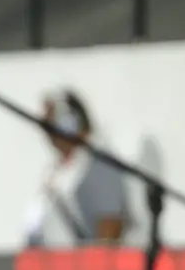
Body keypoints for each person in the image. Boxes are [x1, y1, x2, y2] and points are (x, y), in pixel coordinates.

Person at [24, 90, 131, 247]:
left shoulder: (101, 168)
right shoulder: (56, 171)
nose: (47, 132)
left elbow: (109, 234)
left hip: (78, 266)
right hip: (45, 265)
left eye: (51, 122)